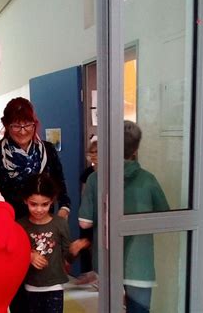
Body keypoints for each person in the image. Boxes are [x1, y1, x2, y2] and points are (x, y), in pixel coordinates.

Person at [0, 97, 72, 313]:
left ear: (35, 123)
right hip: (13, 230)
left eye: (27, 124)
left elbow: (60, 185)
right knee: (18, 289)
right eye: (16, 124)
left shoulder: (48, 150)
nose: (22, 130)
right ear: (6, 125)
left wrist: (63, 209)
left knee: (45, 282)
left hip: (44, 229)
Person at [77, 121, 170, 312]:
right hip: (140, 264)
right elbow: (165, 219)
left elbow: (84, 223)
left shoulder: (95, 178)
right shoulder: (148, 179)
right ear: (135, 149)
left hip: (107, 261)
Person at [17, 173, 88, 313]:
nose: (39, 209)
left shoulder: (60, 224)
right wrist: (29, 256)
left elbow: (68, 257)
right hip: (30, 286)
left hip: (55, 287)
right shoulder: (20, 226)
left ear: (52, 201)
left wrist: (74, 250)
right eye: (33, 204)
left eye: (45, 204)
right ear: (25, 200)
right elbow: (14, 257)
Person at [73, 137, 98, 285]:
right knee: (85, 239)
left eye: (97, 152)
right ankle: (89, 272)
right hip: (88, 213)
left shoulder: (110, 173)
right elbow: (85, 195)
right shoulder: (88, 173)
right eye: (91, 152)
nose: (94, 155)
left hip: (101, 213)